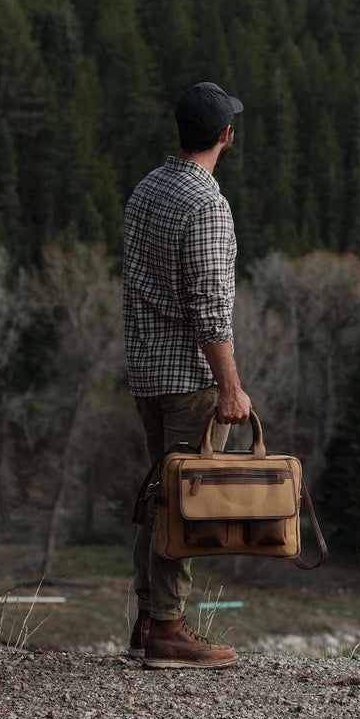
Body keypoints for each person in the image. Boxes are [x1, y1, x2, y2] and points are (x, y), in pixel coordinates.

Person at [121, 81, 251, 670]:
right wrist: (230, 386)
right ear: (226, 135)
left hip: (147, 373)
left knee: (158, 499)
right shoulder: (206, 204)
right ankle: (169, 631)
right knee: (185, 506)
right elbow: (209, 308)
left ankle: (148, 622)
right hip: (190, 380)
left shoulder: (148, 188)